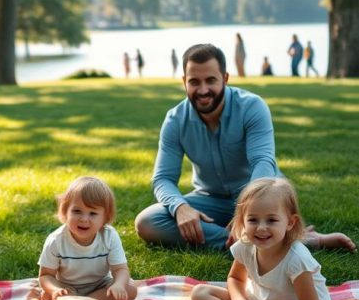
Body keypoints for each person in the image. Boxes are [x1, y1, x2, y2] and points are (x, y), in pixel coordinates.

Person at [134, 42, 356, 252]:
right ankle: (269, 242)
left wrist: (245, 212)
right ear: (184, 82)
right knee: (147, 222)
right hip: (209, 198)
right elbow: (162, 179)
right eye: (194, 82)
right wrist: (180, 208)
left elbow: (263, 162)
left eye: (211, 80)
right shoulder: (175, 120)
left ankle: (257, 238)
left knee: (265, 204)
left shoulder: (252, 107)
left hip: (262, 193)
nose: (203, 90)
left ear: (225, 78)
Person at [191, 177, 330, 300]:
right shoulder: (246, 246)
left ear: (290, 222)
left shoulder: (297, 259)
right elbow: (235, 279)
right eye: (253, 220)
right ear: (243, 221)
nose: (261, 228)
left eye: (271, 220)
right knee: (200, 292)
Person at [38, 175, 137, 300]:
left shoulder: (109, 236)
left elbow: (120, 269)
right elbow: (45, 276)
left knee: (130, 290)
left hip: (100, 286)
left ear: (105, 218)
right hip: (68, 288)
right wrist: (55, 290)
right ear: (65, 211)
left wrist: (119, 285)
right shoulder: (56, 240)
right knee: (48, 294)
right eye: (77, 211)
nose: (84, 219)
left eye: (93, 213)